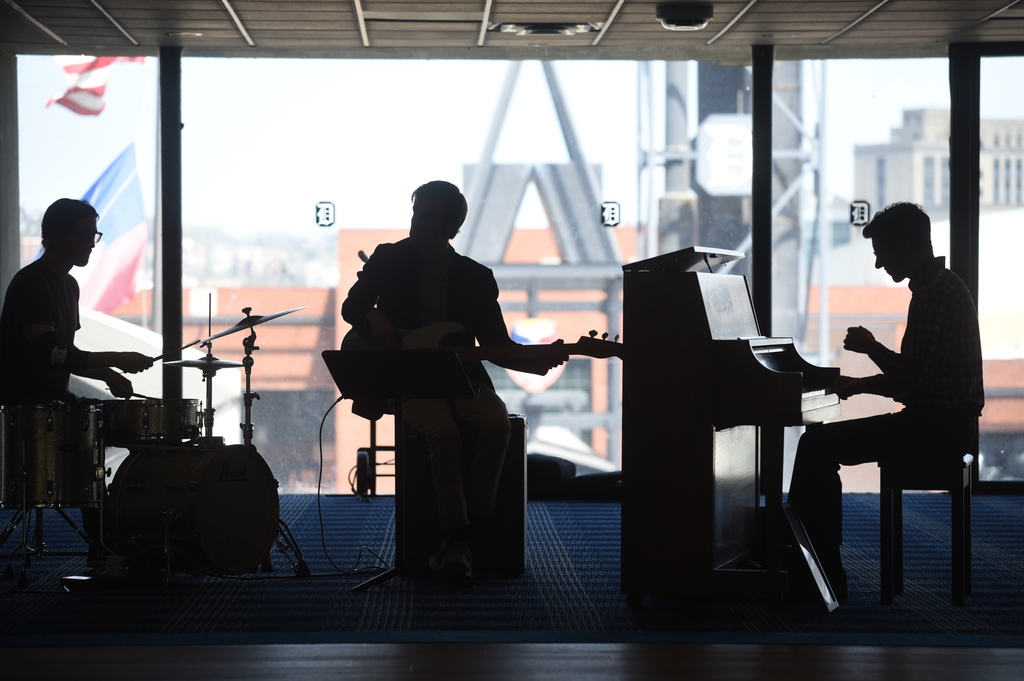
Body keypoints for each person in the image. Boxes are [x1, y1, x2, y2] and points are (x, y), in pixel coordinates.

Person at [341, 180, 567, 582]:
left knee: (498, 425)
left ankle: (467, 532)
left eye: (427, 216)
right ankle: (459, 539)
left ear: (451, 227)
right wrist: (374, 317)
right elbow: (351, 307)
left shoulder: (474, 278)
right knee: (443, 433)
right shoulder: (389, 259)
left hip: (462, 374)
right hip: (409, 376)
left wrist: (541, 361)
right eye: (416, 213)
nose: (416, 222)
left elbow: (497, 347)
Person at [787, 202, 984, 600]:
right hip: (945, 425)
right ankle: (815, 566)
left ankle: (820, 573)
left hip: (936, 430)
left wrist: (870, 350)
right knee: (820, 445)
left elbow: (913, 381)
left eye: (881, 252)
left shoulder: (933, 295)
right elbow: (918, 377)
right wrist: (860, 383)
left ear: (903, 244)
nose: (878, 264)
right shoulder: (943, 285)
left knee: (816, 445)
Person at [0, 198, 153, 565]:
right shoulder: (31, 284)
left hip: (53, 397)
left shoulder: (68, 285)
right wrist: (116, 360)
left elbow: (65, 350)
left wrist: (109, 375)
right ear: (53, 237)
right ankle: (104, 545)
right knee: (92, 449)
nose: (92, 242)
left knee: (104, 439)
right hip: (25, 401)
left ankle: (107, 542)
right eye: (84, 234)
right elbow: (48, 353)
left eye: (94, 234)